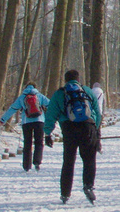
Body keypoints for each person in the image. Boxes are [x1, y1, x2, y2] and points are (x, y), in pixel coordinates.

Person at [42, 69, 103, 203]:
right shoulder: (87, 91)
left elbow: (51, 114)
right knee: (89, 159)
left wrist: (48, 133)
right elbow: (97, 112)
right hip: (88, 126)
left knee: (69, 161)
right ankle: (88, 186)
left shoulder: (59, 94)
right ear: (78, 79)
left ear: (65, 80)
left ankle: (65, 193)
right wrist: (96, 128)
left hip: (69, 128)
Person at [0, 81, 49, 171]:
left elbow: (13, 108)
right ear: (35, 87)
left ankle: (26, 166)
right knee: (39, 142)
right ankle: (37, 162)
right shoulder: (39, 95)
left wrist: (3, 119)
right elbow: (50, 105)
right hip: (39, 121)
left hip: (26, 122)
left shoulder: (22, 97)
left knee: (27, 143)